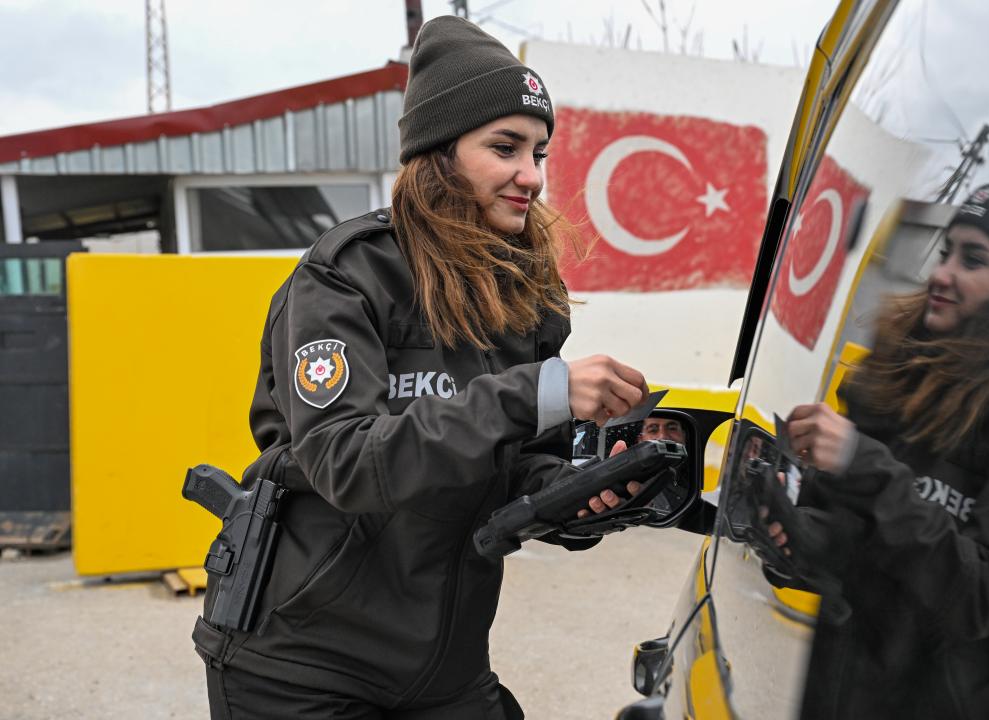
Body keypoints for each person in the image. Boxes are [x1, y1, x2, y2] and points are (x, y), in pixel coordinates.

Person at [192, 16, 649, 719]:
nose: (532, 175)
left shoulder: (525, 290)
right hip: (303, 669)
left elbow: (514, 467)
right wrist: (534, 393)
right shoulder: (346, 276)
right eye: (505, 148)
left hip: (445, 669)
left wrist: (582, 492)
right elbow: (343, 459)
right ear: (439, 153)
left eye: (540, 152)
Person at [781, 166, 989, 718]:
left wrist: (865, 465)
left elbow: (984, 595)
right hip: (836, 690)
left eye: (973, 260)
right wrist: (791, 532)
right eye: (946, 251)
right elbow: (855, 543)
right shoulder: (894, 371)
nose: (942, 273)